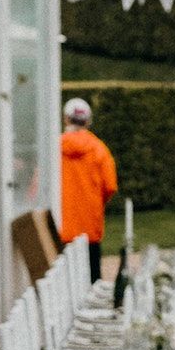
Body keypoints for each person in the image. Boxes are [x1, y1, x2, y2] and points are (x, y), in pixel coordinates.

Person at [58, 97, 118, 258]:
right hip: (89, 229)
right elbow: (110, 186)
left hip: (60, 229)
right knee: (92, 279)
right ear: (88, 121)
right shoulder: (99, 149)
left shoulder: (54, 149)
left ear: (65, 119)